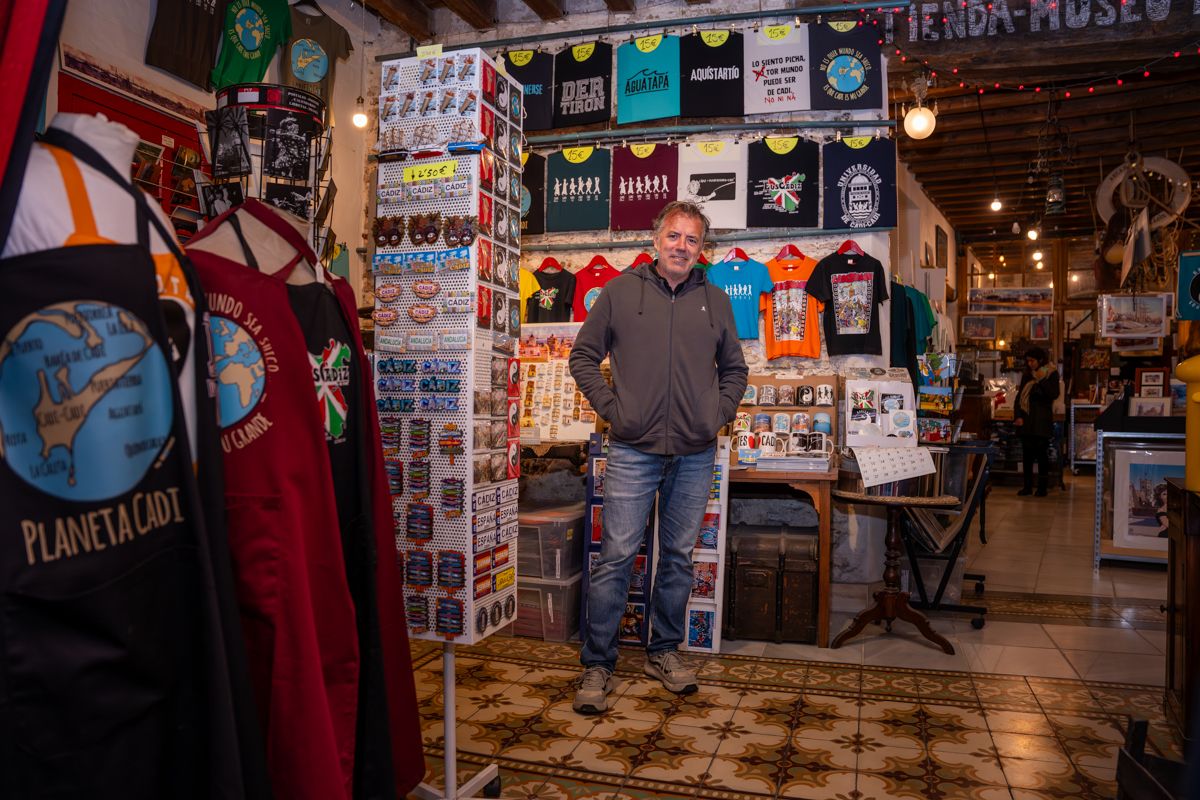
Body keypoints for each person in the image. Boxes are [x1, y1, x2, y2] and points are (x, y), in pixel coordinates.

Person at [568, 200, 747, 714]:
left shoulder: (715, 300)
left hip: (694, 453)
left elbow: (735, 369)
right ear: (656, 240)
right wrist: (614, 410)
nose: (681, 247)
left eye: (692, 240)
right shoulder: (622, 293)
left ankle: (663, 651)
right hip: (631, 449)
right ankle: (598, 664)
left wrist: (717, 412)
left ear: (701, 249)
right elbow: (583, 357)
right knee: (616, 559)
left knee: (676, 560)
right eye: (674, 236)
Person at [1014, 346, 1060, 496]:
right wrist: (1018, 416)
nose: (1029, 364)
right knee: (1026, 455)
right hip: (1027, 420)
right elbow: (1019, 396)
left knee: (1042, 456)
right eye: (1028, 361)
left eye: (1032, 361)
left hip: (1041, 421)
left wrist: (1040, 380)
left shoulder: (1051, 374)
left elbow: (1053, 394)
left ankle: (1042, 488)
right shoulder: (1027, 375)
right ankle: (1027, 487)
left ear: (1040, 360)